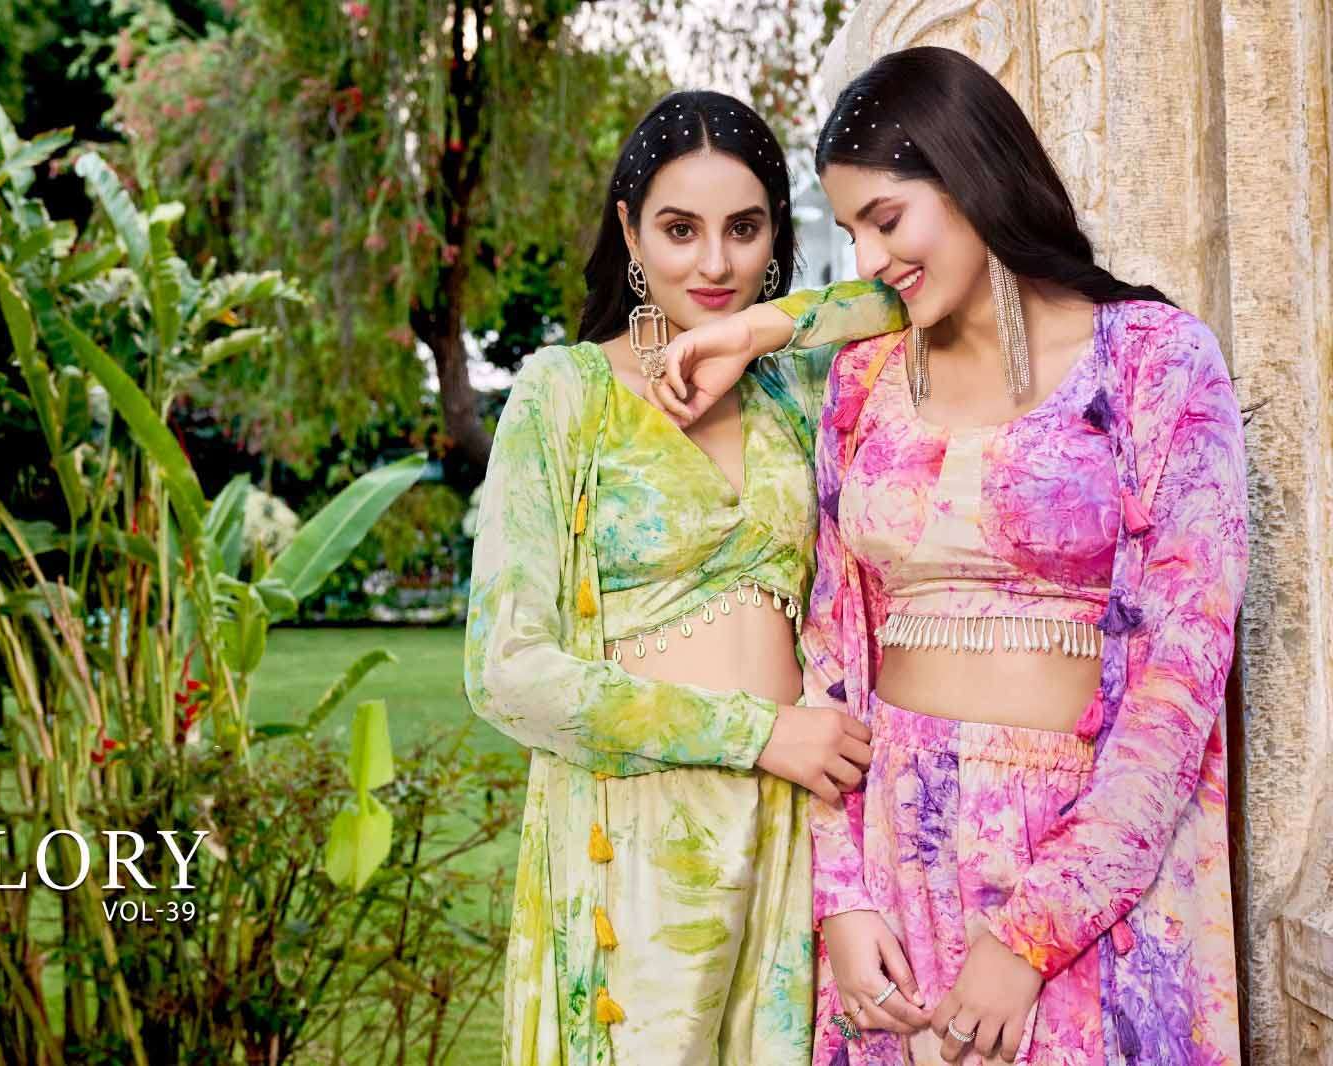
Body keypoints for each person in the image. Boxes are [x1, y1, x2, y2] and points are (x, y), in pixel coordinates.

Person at [652, 48, 1248, 1066]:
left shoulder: (1154, 359)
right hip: (898, 859)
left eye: (886, 220)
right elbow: (833, 652)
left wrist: (1032, 934)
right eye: (850, 232)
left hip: (1089, 869)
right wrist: (842, 899)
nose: (869, 259)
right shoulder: (863, 382)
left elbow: (1180, 676)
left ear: (971, 175)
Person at [464, 90, 907, 1065]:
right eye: (679, 230)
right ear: (629, 230)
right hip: (637, 846)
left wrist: (755, 333)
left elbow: (912, 290)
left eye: (744, 229)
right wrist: (758, 734)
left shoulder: (798, 388)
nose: (714, 264)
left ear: (776, 234)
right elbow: (507, 673)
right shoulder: (564, 394)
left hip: (792, 830)